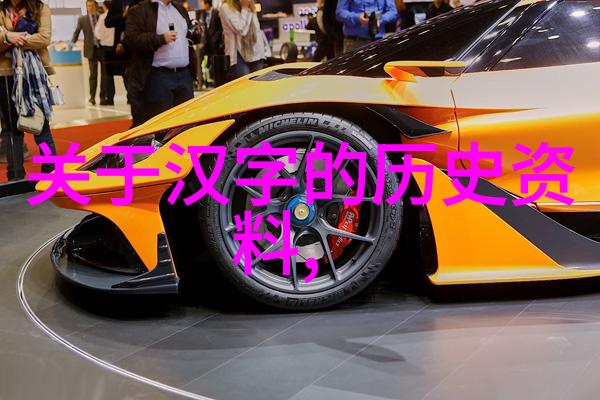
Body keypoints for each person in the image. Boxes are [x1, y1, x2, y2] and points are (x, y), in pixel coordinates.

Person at [0, 0, 56, 181]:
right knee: (10, 128)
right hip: (5, 74)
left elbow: (44, 37)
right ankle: (15, 175)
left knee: (41, 125)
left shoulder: (40, 7)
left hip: (34, 74)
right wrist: (7, 37)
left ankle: (51, 171)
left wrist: (13, 38)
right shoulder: (1, 9)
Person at [124, 0, 201, 124]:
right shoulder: (140, 10)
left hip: (184, 75)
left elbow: (187, 37)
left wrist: (196, 33)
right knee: (162, 124)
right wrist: (160, 39)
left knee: (186, 124)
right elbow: (132, 39)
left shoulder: (180, 9)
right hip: (158, 77)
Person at [220, 0, 268, 80]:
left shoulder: (250, 4)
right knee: (245, 83)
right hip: (237, 55)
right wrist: (245, 8)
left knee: (258, 84)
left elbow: (256, 28)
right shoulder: (226, 7)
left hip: (255, 51)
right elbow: (241, 30)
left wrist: (247, 7)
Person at [71, 0, 104, 105]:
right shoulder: (82, 19)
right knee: (93, 75)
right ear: (86, 7)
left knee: (104, 74)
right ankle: (92, 97)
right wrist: (71, 44)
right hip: (90, 50)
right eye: (88, 6)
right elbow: (77, 32)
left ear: (95, 6)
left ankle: (103, 97)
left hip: (102, 49)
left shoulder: (101, 17)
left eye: (92, 5)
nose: (90, 7)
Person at [197, 0, 223, 84]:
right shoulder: (201, 13)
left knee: (215, 62)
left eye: (202, 2)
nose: (200, 4)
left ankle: (216, 81)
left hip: (215, 43)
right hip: (205, 43)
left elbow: (220, 28)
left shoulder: (216, 13)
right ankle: (201, 80)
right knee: (200, 60)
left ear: (207, 3)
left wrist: (215, 38)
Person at [95, 0, 116, 105]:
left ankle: (110, 98)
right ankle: (129, 97)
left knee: (108, 74)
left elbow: (97, 33)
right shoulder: (117, 17)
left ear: (104, 6)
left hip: (106, 49)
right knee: (124, 73)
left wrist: (103, 38)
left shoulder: (103, 17)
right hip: (117, 47)